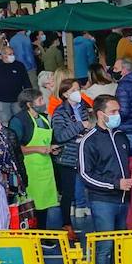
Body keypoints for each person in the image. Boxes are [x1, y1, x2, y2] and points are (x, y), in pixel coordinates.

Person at [78, 94, 132, 264]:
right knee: (104, 245)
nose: (117, 115)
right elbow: (85, 174)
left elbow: (124, 162)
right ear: (100, 114)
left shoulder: (120, 135)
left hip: (122, 199)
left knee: (119, 243)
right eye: (113, 112)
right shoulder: (89, 141)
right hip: (103, 200)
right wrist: (115, 183)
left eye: (118, 111)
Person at [9, 88, 59, 232]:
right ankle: (35, 235)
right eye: (40, 100)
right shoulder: (19, 121)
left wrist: (52, 147)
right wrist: (38, 149)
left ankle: (42, 232)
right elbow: (16, 147)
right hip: (29, 169)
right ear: (30, 104)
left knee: (44, 205)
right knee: (30, 206)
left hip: (45, 167)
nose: (43, 103)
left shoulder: (43, 118)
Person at [50, 78, 91, 239]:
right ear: (66, 93)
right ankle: (67, 224)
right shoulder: (60, 112)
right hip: (67, 157)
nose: (78, 92)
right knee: (67, 192)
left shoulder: (83, 108)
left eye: (78, 89)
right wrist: (80, 126)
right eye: (74, 90)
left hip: (84, 155)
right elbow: (60, 136)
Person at [0, 41, 29, 127]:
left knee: (20, 121)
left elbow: (26, 81)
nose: (12, 56)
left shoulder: (19, 66)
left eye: (13, 54)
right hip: (2, 100)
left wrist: (28, 96)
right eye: (9, 54)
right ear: (2, 55)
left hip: (17, 99)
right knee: (4, 122)